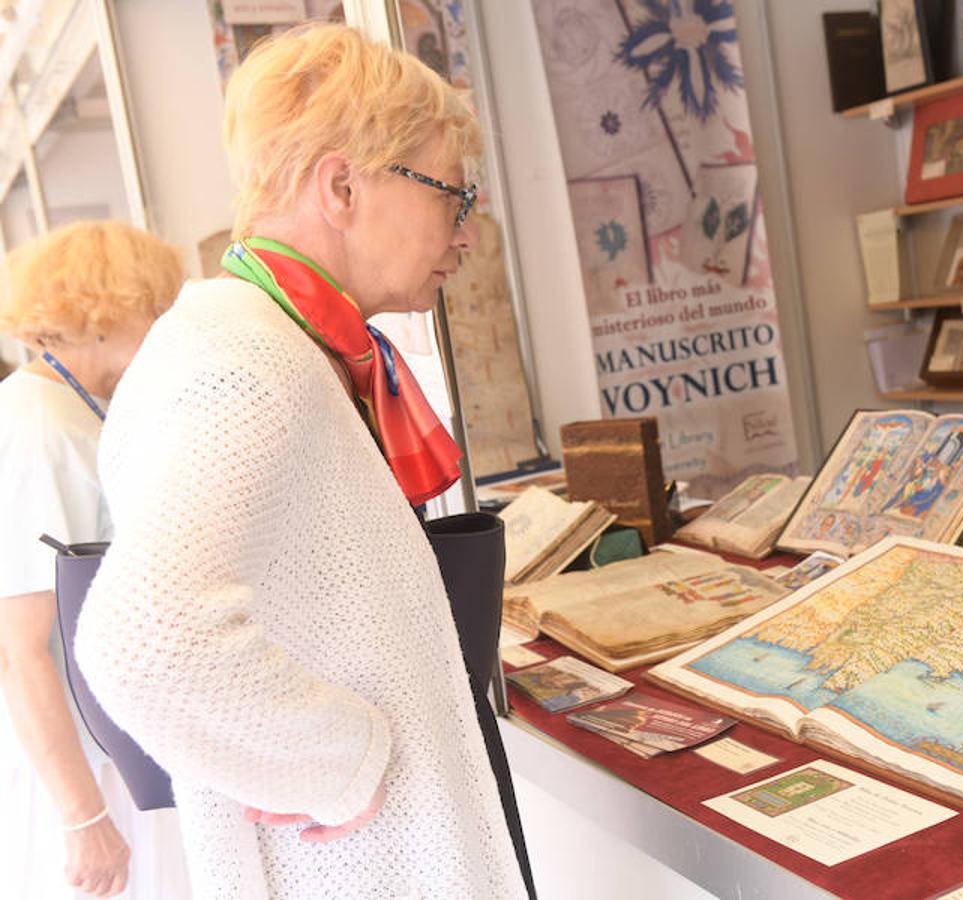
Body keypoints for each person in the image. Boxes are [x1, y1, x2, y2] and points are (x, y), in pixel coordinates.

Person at [75, 24, 529, 899]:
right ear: (344, 185)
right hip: (361, 864)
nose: (466, 236)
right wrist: (337, 762)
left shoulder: (278, 342)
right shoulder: (247, 359)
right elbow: (144, 637)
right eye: (451, 197)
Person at [0, 220, 191, 898]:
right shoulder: (42, 430)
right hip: (89, 775)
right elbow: (18, 649)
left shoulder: (71, 413)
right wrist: (85, 817)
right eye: (154, 311)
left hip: (111, 754)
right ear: (104, 315)